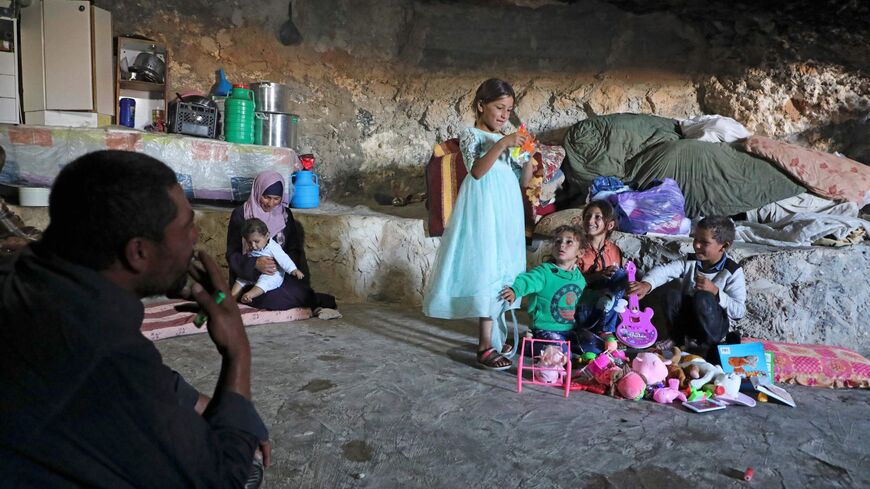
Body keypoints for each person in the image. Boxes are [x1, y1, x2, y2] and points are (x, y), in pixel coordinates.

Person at [0, 150, 270, 487]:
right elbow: (222, 479)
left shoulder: (23, 272)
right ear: (138, 252)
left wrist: (197, 402)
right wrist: (238, 352)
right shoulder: (104, 352)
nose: (195, 238)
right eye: (187, 227)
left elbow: (137, 379)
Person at [423, 78, 530, 370]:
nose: (505, 115)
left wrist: (528, 159)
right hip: (483, 211)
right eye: (499, 107)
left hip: (506, 211)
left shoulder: (507, 137)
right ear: (481, 105)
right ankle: (485, 345)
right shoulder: (471, 134)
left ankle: (497, 336)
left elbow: (522, 180)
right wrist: (504, 142)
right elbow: (478, 171)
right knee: (488, 269)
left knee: (505, 267)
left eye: (509, 110)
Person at [627, 216, 746, 361]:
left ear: (724, 247)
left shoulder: (732, 271)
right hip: (690, 325)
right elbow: (665, 270)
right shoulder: (691, 260)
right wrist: (647, 284)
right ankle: (678, 341)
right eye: (695, 239)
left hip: (714, 330)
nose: (696, 245)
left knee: (703, 297)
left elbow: (739, 311)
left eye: (704, 242)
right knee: (671, 295)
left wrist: (715, 292)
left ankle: (706, 348)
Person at [226, 170, 335, 312]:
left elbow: (294, 249)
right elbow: (232, 253)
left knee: (299, 292)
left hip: (277, 274)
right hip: (248, 276)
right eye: (266, 197)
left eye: (276, 198)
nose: (271, 203)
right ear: (258, 191)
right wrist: (255, 264)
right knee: (273, 298)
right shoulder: (241, 215)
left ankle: (313, 299)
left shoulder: (285, 215)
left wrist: (279, 264)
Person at [499, 225, 587, 356]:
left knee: (590, 347)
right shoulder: (545, 272)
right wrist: (515, 290)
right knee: (560, 352)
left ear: (580, 252)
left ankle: (542, 346)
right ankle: (527, 344)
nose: (561, 245)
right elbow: (527, 280)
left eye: (569, 242)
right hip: (545, 329)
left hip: (569, 329)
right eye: (558, 241)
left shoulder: (579, 279)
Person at [574, 200, 628, 353]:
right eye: (588, 216)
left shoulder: (615, 251)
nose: (591, 221)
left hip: (607, 309)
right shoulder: (576, 248)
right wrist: (597, 276)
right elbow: (568, 284)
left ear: (609, 225)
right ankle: (605, 331)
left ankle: (605, 330)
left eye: (597, 217)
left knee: (621, 276)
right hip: (582, 308)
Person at [231, 217, 305, 304]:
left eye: (256, 241)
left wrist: (293, 269)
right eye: (249, 242)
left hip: (271, 274)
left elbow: (283, 258)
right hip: (254, 272)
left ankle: (249, 295)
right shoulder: (252, 246)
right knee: (240, 280)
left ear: (267, 236)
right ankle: (231, 299)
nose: (253, 246)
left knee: (265, 282)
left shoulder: (273, 247)